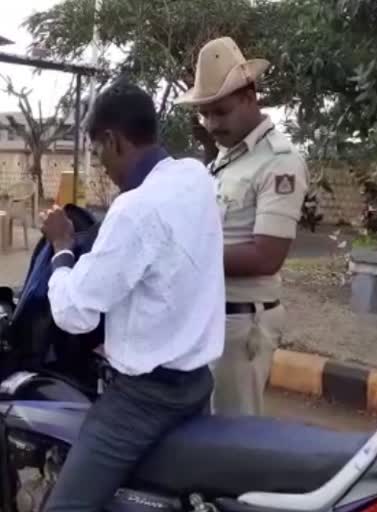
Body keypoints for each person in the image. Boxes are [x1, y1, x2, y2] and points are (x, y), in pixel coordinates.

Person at [41, 82, 225, 511]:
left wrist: (62, 251)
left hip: (144, 399)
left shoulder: (135, 209)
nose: (101, 164)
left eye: (99, 151)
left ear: (113, 140)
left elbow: (75, 314)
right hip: (198, 382)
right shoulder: (195, 177)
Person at [176, 37, 308, 416]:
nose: (212, 123)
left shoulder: (279, 163)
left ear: (250, 97)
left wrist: (186, 258)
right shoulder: (225, 160)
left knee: (232, 442)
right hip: (212, 315)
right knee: (206, 436)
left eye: (221, 111)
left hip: (241, 322)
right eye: (204, 114)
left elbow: (267, 256)